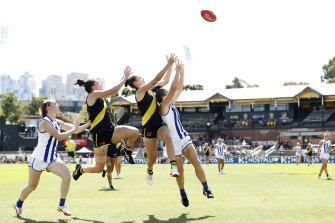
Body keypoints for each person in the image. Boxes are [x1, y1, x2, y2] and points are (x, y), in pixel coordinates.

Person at [13, 99, 91, 218]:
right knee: (32, 186)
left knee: (67, 176)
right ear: (49, 108)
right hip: (38, 159)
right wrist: (74, 128)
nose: (58, 105)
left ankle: (62, 205)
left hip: (52, 159)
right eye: (55, 104)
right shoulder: (44, 123)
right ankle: (18, 204)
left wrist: (88, 123)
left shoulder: (58, 121)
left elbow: (77, 129)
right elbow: (59, 136)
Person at [155, 60, 214, 207]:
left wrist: (182, 73)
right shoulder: (163, 106)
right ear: (163, 97)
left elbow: (179, 88)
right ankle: (183, 194)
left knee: (196, 162)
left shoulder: (170, 103)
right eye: (167, 93)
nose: (170, 93)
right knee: (180, 171)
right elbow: (174, 88)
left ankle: (206, 188)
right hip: (173, 144)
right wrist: (176, 71)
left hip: (183, 139)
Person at [72, 66, 139, 181]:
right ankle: (80, 170)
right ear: (94, 87)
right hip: (99, 135)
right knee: (98, 169)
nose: (101, 83)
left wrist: (124, 77)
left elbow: (112, 90)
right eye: (98, 82)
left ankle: (127, 150)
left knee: (135, 132)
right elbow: (113, 90)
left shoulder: (100, 96)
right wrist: (125, 78)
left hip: (111, 130)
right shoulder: (93, 95)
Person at [124, 54, 179, 185]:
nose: (143, 78)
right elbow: (156, 78)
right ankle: (149, 171)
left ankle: (173, 166)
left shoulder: (150, 90)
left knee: (168, 138)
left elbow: (165, 81)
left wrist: (170, 65)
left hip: (159, 124)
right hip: (148, 127)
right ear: (136, 83)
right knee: (152, 158)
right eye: (140, 78)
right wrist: (168, 64)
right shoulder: (140, 92)